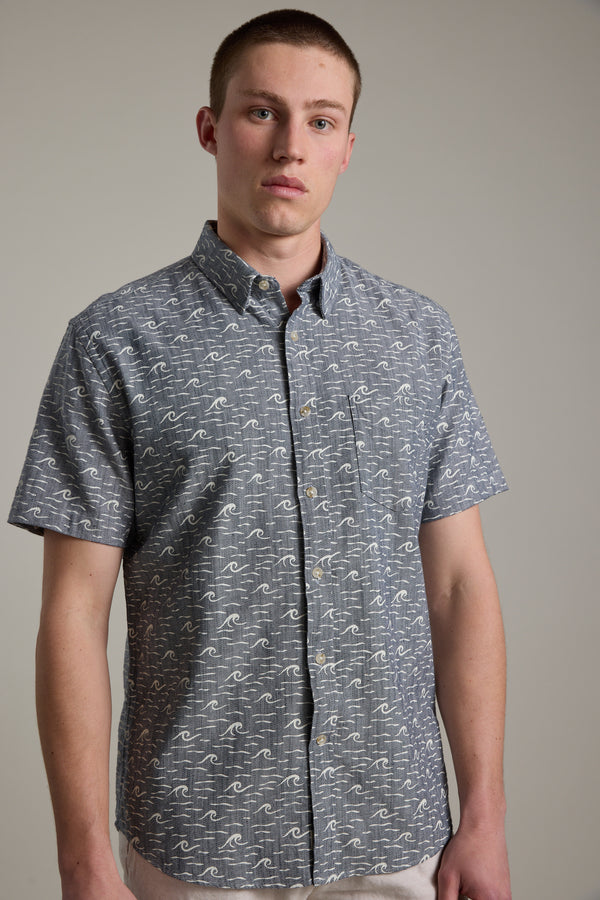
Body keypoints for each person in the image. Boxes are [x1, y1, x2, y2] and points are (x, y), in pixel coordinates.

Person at [9, 9, 511, 900]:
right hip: (193, 844)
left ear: (347, 146)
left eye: (320, 120)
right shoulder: (114, 341)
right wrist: (84, 860)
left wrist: (484, 819)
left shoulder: (417, 338)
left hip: (397, 837)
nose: (290, 145)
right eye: (261, 112)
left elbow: (460, 585)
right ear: (210, 127)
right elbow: (74, 615)